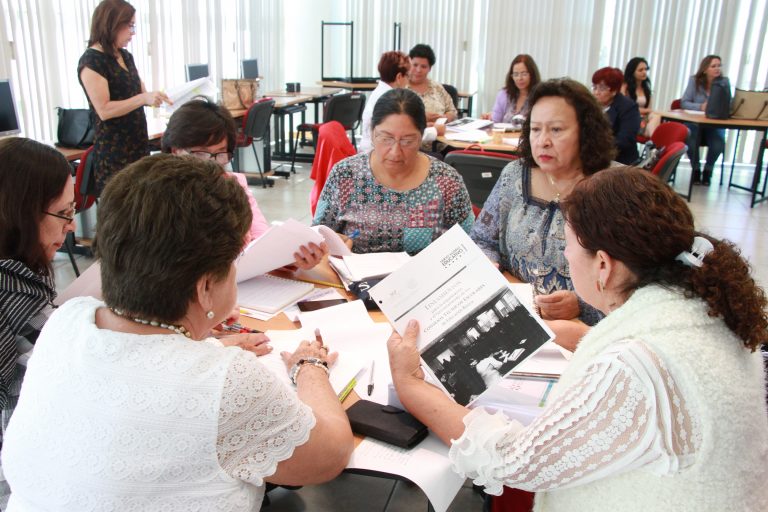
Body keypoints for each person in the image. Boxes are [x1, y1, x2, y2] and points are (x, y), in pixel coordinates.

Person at [388, 166, 768, 512]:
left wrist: (411, 386)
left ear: (603, 265)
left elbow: (511, 460)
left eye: (567, 245)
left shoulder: (634, 366)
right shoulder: (702, 304)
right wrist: (586, 335)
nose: (566, 255)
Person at [2, 154, 354, 510]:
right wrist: (310, 368)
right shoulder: (227, 379)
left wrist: (206, 343)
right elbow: (331, 454)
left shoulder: (69, 320)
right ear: (205, 289)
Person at [471, 78, 615, 348]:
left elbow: (636, 287)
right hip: (516, 320)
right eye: (535, 129)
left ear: (586, 131)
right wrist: (490, 271)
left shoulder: (610, 190)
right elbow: (481, 240)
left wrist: (581, 304)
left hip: (586, 336)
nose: (543, 141)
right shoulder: (515, 175)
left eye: (557, 130)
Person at [160, 99, 326, 270]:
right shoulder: (156, 196)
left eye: (220, 154)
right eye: (200, 154)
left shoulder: (233, 184)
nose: (210, 163)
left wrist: (290, 258)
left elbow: (261, 239)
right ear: (175, 151)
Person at [0, 138, 77, 506]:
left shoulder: (20, 275)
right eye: (63, 213)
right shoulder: (12, 296)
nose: (72, 226)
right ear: (22, 214)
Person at [313, 88, 473, 255]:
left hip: (428, 278)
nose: (395, 152)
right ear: (373, 132)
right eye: (386, 138)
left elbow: (471, 242)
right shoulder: (346, 174)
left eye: (407, 141)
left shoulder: (446, 180)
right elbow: (318, 234)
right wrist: (332, 244)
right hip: (357, 278)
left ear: (421, 136)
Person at [78, 0, 171, 195]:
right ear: (111, 23)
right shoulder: (92, 61)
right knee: (122, 210)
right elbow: (104, 110)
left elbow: (140, 92)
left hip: (137, 142)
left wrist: (156, 97)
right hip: (114, 151)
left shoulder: (125, 56)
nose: (133, 32)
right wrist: (143, 99)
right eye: (129, 25)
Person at [359, 51, 444, 153]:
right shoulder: (390, 99)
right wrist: (435, 131)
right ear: (399, 77)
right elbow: (402, 136)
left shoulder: (380, 93)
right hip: (379, 154)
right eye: (407, 76)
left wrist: (423, 125)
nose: (408, 80)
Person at [681, 55, 729, 186]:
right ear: (705, 69)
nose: (717, 68)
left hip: (714, 125)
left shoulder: (724, 84)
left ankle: (708, 171)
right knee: (690, 137)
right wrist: (700, 107)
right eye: (713, 66)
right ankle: (696, 169)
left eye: (719, 65)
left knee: (719, 142)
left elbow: (728, 105)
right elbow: (684, 103)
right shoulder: (694, 81)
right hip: (695, 123)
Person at [592, 67, 641, 164]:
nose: (596, 92)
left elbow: (625, 140)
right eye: (594, 87)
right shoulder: (591, 105)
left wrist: (596, 147)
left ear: (614, 91)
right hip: (595, 156)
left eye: (602, 88)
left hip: (620, 159)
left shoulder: (628, 107)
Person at [483, 54, 541, 124]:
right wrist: (487, 119)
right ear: (511, 76)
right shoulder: (504, 94)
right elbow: (495, 121)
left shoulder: (539, 97)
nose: (520, 78)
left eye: (524, 74)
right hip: (502, 135)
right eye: (516, 74)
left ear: (532, 74)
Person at [406, 44, 457, 123]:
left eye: (423, 66)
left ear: (429, 68)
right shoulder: (401, 88)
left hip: (440, 132)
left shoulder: (437, 87)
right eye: (415, 65)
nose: (418, 70)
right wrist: (421, 118)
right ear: (409, 64)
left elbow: (452, 111)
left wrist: (443, 118)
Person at [621, 57, 660, 137]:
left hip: (643, 119)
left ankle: (652, 139)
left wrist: (646, 111)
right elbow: (626, 108)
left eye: (646, 69)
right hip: (630, 119)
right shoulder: (625, 87)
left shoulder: (646, 88)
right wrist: (646, 110)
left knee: (656, 116)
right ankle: (654, 142)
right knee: (654, 119)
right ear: (632, 72)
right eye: (640, 70)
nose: (644, 72)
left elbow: (649, 110)